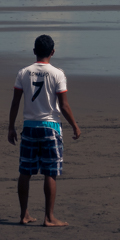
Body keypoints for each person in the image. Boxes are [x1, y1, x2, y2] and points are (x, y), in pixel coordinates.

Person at [8, 35, 80, 227]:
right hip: (50, 127)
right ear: (53, 52)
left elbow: (15, 102)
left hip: (29, 127)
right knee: (50, 172)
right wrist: (74, 125)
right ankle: (49, 217)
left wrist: (10, 127)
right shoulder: (57, 73)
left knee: (25, 171)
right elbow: (63, 105)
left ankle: (24, 214)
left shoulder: (24, 72)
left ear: (34, 51)